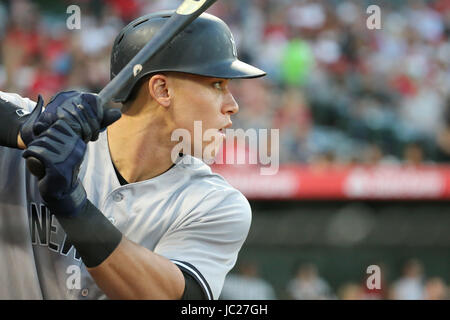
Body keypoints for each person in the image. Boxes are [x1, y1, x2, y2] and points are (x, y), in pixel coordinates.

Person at [0, 11, 266, 299]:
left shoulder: (215, 203)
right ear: (162, 89)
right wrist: (27, 129)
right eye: (218, 85)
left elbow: (176, 298)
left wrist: (72, 204)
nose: (233, 105)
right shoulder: (45, 142)